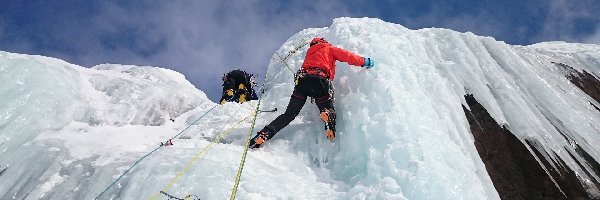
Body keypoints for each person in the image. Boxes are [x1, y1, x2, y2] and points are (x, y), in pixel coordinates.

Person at [249, 37, 375, 149]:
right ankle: (327, 113)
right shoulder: (329, 49)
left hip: (302, 83)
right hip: (319, 81)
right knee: (326, 105)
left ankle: (265, 133)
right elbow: (348, 57)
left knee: (289, 114)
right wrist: (365, 62)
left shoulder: (309, 53)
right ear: (324, 42)